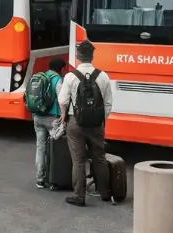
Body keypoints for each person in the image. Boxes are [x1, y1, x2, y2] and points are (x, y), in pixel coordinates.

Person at [58, 40, 114, 207]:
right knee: (99, 157)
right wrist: (100, 119)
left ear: (78, 56)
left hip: (75, 123)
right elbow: (108, 103)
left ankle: (79, 196)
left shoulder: (70, 76)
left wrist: (63, 116)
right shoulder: (103, 76)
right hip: (97, 124)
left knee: (78, 160)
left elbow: (63, 100)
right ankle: (104, 193)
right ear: (92, 56)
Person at [30, 57, 66, 189]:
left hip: (37, 117)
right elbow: (62, 100)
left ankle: (40, 179)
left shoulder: (40, 77)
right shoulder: (58, 80)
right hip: (52, 119)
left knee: (40, 148)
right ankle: (53, 179)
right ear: (61, 69)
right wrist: (63, 115)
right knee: (54, 149)